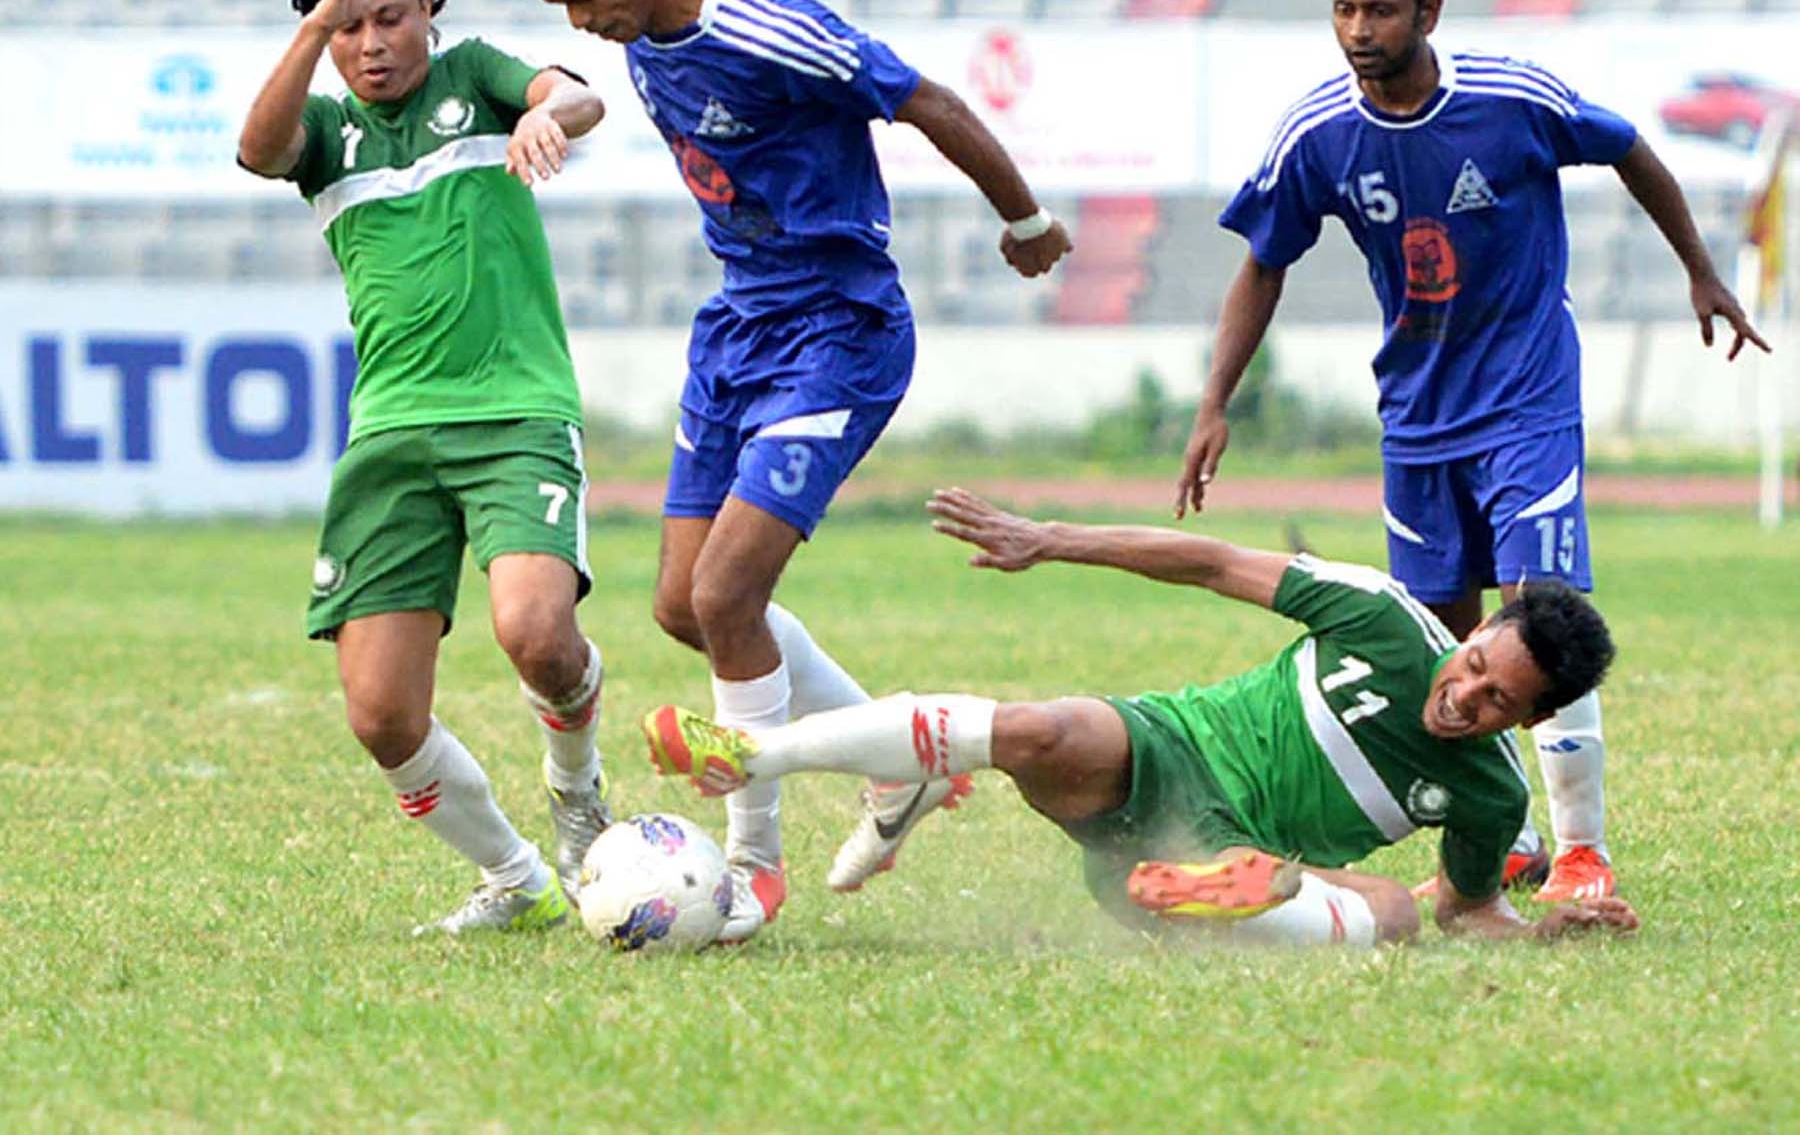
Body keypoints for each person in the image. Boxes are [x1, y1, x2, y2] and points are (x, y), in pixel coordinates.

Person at [500, 0, 1074, 941]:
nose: (582, 24)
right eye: (562, 10)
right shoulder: (642, 29)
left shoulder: (767, 28)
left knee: (725, 602)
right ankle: (892, 763)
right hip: (739, 328)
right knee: (682, 605)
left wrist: (1026, 221)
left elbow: (928, 101)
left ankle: (751, 870)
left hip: (839, 329)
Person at [1172, 0, 1769, 902]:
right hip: (1416, 419)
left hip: (1528, 401)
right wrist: (1213, 403)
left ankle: (1582, 854)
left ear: (1430, 10)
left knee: (1538, 617)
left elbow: (1630, 150)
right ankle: (1513, 839)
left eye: (1381, 10)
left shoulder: (1511, 101)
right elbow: (1264, 263)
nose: (1360, 30)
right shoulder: (1318, 133)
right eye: (1344, 9)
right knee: (1444, 650)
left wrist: (1701, 273)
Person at [644, 488, 1641, 947]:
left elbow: (1469, 909)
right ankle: (751, 750)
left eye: (1496, 700)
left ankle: (1217, 893)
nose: (1463, 693)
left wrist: (1552, 929)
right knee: (1041, 730)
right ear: (1472, 638)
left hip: (1219, 854)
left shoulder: (1486, 792)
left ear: (1532, 718)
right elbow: (1210, 562)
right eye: (1473, 664)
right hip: (1167, 752)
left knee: (1392, 915)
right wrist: (1050, 539)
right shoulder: (1380, 618)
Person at [238, 0, 612, 936]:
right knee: (381, 714)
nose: (371, 43)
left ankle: (578, 791)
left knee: (536, 633)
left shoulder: (477, 76)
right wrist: (310, 32)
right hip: (391, 436)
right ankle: (515, 879)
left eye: (389, 18)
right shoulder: (323, 130)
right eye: (349, 26)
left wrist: (549, 117)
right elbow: (255, 150)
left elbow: (578, 94)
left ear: (430, 12)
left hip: (515, 411)